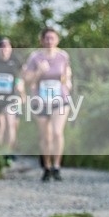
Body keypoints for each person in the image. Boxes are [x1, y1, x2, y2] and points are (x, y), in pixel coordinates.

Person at [23, 28, 72, 182]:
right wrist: (39, 72)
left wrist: (68, 82)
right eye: (47, 38)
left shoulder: (63, 56)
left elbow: (67, 75)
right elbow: (27, 81)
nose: (50, 41)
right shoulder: (35, 57)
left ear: (57, 40)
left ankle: (57, 167)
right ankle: (46, 167)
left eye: (53, 38)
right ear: (42, 40)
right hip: (41, 101)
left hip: (60, 99)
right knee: (46, 136)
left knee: (57, 133)